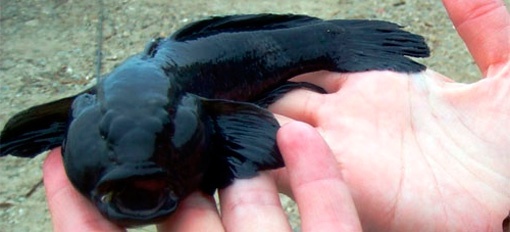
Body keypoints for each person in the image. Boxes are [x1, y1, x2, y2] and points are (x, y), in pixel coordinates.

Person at [43, 0, 510, 231]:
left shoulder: (183, 111)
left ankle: (327, 41)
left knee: (311, 45)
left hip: (190, 65)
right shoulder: (87, 110)